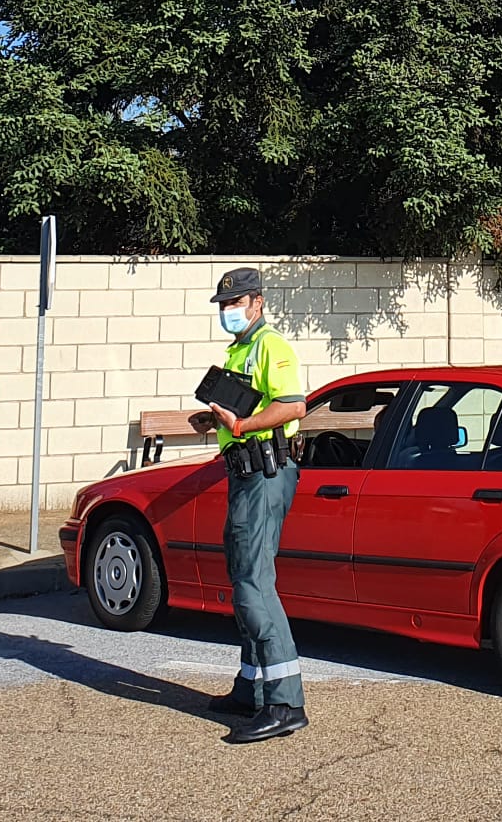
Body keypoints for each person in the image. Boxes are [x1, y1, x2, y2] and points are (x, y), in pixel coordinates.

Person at [192, 266, 308, 742]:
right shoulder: (240, 350)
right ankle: (252, 688)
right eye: (223, 305)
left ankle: (284, 703)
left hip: (264, 475)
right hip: (246, 474)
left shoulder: (271, 346)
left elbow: (293, 406)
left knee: (254, 585)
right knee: (243, 580)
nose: (228, 312)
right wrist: (215, 420)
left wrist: (240, 427)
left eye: (236, 303)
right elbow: (247, 412)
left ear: (257, 303)